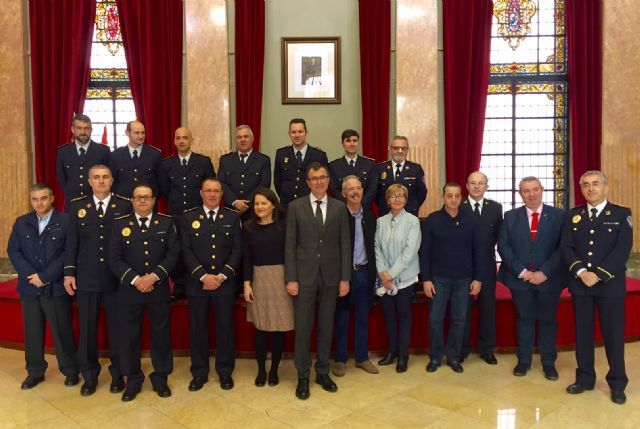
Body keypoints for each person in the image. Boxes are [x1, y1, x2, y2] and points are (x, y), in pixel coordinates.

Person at [562, 170, 633, 405]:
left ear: (605, 187)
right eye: (585, 185)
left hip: (610, 286)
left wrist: (599, 275)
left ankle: (617, 383)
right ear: (581, 189)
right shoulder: (573, 215)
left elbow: (622, 249)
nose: (590, 188)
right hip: (581, 284)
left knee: (613, 336)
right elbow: (566, 247)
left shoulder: (621, 214)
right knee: (583, 334)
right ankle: (584, 378)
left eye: (595, 184)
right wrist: (582, 272)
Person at [285, 162, 351, 400]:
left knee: (326, 326)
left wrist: (345, 278)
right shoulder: (295, 207)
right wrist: (291, 278)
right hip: (303, 279)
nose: (319, 181)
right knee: (303, 329)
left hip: (332, 277)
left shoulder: (339, 207)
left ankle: (322, 372)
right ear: (308, 182)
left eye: (323, 177)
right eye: (314, 178)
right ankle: (303, 376)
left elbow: (345, 244)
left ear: (328, 179)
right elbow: (290, 245)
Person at [63, 165, 131, 396]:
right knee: (88, 329)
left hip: (116, 278)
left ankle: (117, 374)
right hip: (87, 278)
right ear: (89, 181)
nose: (101, 181)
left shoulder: (124, 205)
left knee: (117, 329)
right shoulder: (77, 206)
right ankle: (89, 375)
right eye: (96, 178)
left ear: (112, 180)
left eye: (105, 177)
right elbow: (71, 242)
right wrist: (69, 273)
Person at [108, 184, 179, 401]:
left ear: (154, 200)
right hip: (130, 290)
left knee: (161, 336)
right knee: (129, 337)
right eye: (138, 197)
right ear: (131, 200)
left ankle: (161, 379)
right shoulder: (120, 224)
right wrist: (137, 280)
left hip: (158, 290)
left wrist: (153, 277)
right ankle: (133, 380)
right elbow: (114, 258)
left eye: (146, 197)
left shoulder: (166, 223)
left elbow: (173, 254)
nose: (142, 201)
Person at [7, 183, 79, 390]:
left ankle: (71, 370)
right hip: (29, 287)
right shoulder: (21, 222)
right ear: (31, 201)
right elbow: (13, 251)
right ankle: (35, 372)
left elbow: (69, 252)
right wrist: (33, 276)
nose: (39, 203)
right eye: (35, 199)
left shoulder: (66, 221)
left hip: (55, 288)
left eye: (44, 198)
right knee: (33, 333)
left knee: (62, 331)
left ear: (52, 198)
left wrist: (45, 276)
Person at [497, 176, 566, 381]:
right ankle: (524, 361)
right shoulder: (510, 216)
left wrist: (544, 272)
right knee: (524, 319)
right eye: (526, 191)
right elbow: (503, 246)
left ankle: (548, 363)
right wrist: (523, 272)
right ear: (520, 194)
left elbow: (563, 247)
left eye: (535, 189)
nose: (531, 194)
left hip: (549, 279)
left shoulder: (559, 216)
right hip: (520, 279)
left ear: (542, 190)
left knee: (547, 320)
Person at [180, 178, 242, 392]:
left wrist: (221, 277)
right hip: (197, 285)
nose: (212, 194)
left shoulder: (232, 217)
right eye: (208, 191)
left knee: (225, 329)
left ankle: (225, 372)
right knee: (198, 330)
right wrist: (203, 277)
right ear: (201, 193)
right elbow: (185, 251)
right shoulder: (188, 217)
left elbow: (237, 250)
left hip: (224, 285)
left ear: (222, 193)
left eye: (216, 191)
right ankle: (199, 372)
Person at [420, 182, 487, 373]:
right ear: (443, 197)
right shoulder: (432, 220)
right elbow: (424, 252)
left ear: (461, 197)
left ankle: (454, 357)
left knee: (459, 320)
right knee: (435, 319)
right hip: (438, 278)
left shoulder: (471, 221)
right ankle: (435, 357)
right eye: (449, 195)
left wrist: (478, 279)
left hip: (464, 279)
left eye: (457, 196)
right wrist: (426, 279)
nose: (453, 199)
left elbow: (479, 252)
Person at [242, 188, 293, 387]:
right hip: (259, 279)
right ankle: (262, 370)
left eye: (263, 203)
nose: (259, 207)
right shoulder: (248, 227)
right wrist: (247, 284)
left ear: (273, 204)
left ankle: (274, 370)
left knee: (279, 327)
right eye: (256, 203)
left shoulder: (285, 226)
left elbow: (291, 254)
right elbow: (246, 257)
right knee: (261, 328)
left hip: (281, 279)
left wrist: (291, 279)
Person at [159, 127, 215, 300]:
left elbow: (210, 185)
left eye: (185, 138)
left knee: (197, 250)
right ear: (174, 141)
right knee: (176, 251)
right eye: (178, 138)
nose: (182, 141)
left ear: (192, 140)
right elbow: (164, 189)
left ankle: (197, 282)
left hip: (197, 216)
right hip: (175, 215)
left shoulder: (203, 162)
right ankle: (179, 286)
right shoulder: (166, 164)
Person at [332, 176, 379, 377]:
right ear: (343, 194)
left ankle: (362, 358)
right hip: (344, 274)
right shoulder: (337, 215)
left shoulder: (370, 215)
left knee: (362, 318)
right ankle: (340, 359)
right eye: (350, 189)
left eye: (358, 188)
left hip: (364, 273)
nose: (355, 192)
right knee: (341, 319)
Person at [374, 183, 421, 373]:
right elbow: (377, 248)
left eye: (401, 196)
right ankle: (392, 351)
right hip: (385, 278)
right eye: (393, 196)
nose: (397, 199)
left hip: (405, 278)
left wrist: (391, 275)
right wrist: (383, 272)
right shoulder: (380, 221)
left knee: (403, 317)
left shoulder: (412, 221)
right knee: (389, 317)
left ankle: (403, 355)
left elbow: (410, 252)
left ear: (406, 199)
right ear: (387, 200)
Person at [460, 171, 503, 365]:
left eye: (481, 183)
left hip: (486, 264)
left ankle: (487, 349)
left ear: (486, 186)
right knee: (463, 309)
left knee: (488, 308)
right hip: (463, 266)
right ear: (467, 186)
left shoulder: (495, 208)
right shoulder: (458, 206)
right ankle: (462, 348)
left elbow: (497, 236)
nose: (477, 186)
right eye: (473, 183)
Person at [56, 114, 111, 209]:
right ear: (72, 129)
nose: (83, 132)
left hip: (96, 203)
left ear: (91, 130)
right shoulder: (63, 152)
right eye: (79, 128)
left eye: (86, 128)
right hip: (72, 204)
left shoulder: (103, 151)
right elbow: (62, 178)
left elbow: (108, 177)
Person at [218, 125, 272, 221]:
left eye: (246, 136)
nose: (242, 140)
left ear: (252, 139)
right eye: (239, 137)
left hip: (254, 211)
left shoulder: (263, 160)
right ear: (235, 140)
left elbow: (264, 184)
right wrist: (235, 202)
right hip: (231, 210)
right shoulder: (225, 160)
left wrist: (247, 203)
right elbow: (221, 183)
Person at [274, 118, 328, 206]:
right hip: (287, 206)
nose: (297, 135)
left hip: (311, 206)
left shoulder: (319, 155)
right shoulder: (281, 154)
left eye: (300, 131)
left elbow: (323, 182)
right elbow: (278, 182)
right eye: (293, 132)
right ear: (289, 134)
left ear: (306, 133)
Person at [376, 135, 427, 216]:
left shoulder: (416, 169)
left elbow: (422, 193)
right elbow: (376, 194)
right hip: (386, 214)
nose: (399, 151)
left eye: (403, 148)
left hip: (409, 214)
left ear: (407, 150)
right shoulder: (379, 169)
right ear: (390, 149)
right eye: (395, 148)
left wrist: (411, 206)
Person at [109, 120, 162, 199]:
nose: (141, 136)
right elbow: (112, 181)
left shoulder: (155, 154)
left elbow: (160, 181)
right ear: (127, 133)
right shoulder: (116, 155)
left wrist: (153, 199)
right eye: (137, 133)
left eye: (143, 133)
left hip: (147, 203)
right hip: (123, 204)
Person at [328, 129, 378, 207]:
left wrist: (359, 205)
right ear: (342, 143)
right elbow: (334, 191)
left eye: (355, 140)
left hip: (364, 209)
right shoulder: (333, 166)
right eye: (348, 141)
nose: (352, 144)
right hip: (342, 210)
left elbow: (372, 190)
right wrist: (349, 206)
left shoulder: (370, 164)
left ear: (358, 143)